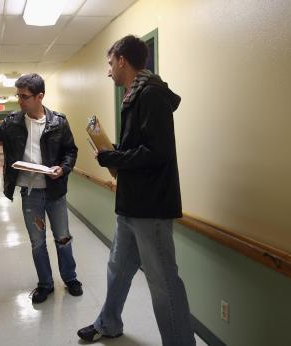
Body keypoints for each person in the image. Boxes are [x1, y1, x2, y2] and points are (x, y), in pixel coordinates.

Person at [77, 35, 195, 345]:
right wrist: (111, 150)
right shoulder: (134, 95)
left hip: (151, 207)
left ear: (121, 60)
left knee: (163, 282)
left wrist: (112, 157)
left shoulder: (152, 94)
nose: (108, 71)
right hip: (131, 204)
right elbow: (140, 149)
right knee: (118, 267)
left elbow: (158, 152)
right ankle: (109, 322)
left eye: (109, 64)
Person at [0, 73, 82, 304]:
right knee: (37, 242)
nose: (19, 100)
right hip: (30, 195)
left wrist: (63, 167)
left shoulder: (59, 121)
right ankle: (45, 284)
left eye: (24, 96)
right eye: (18, 95)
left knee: (62, 238)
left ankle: (70, 278)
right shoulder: (12, 122)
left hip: (55, 192)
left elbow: (71, 150)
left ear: (40, 96)